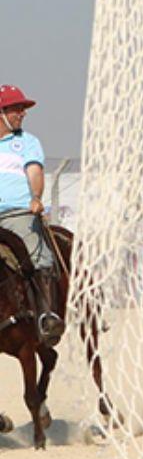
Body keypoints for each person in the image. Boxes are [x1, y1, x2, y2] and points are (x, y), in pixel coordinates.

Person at [0, 84, 63, 343]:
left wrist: (36, 197)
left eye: (23, 109)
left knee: (40, 255)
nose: (22, 113)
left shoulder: (27, 142)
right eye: (17, 108)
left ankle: (46, 316)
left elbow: (35, 173)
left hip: (18, 215)